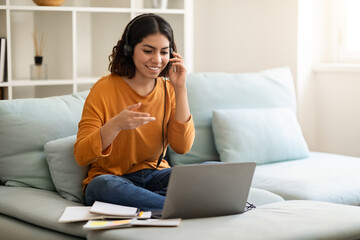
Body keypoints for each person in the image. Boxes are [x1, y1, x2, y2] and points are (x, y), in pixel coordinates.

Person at [74, 13, 195, 211]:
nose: (157, 60)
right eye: (148, 51)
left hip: (155, 176)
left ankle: (156, 205)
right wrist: (115, 125)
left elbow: (182, 147)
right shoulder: (103, 89)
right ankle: (180, 208)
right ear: (129, 50)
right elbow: (81, 155)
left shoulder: (170, 90)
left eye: (164, 52)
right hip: (112, 180)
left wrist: (180, 88)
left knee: (208, 171)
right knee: (102, 187)